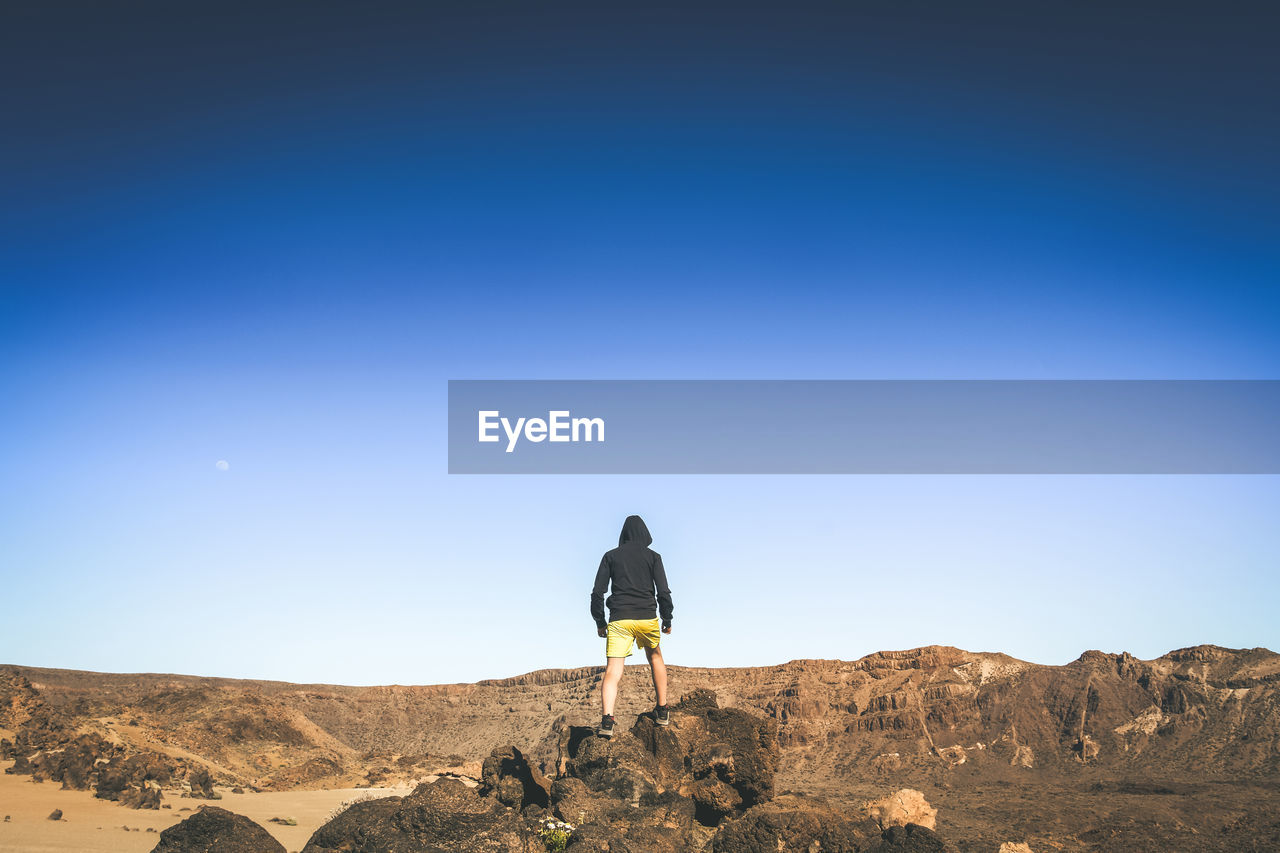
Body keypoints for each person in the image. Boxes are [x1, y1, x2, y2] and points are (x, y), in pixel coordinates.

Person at [590, 514, 674, 738]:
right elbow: (663, 591)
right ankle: (663, 710)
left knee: (613, 671)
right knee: (655, 657)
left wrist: (600, 621)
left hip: (620, 619)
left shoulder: (610, 556)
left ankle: (607, 721)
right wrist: (667, 619)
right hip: (647, 617)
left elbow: (598, 592)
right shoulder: (653, 557)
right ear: (645, 534)